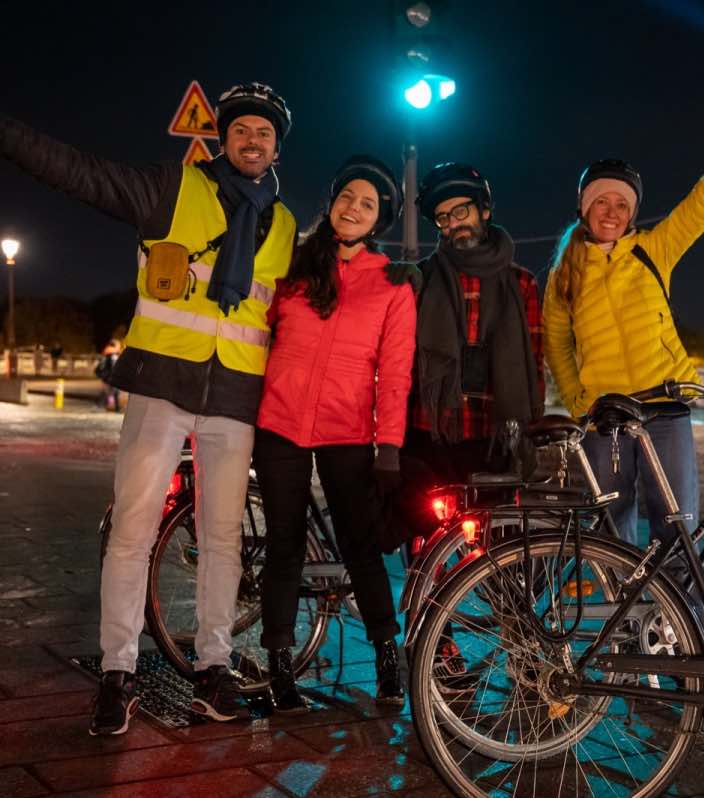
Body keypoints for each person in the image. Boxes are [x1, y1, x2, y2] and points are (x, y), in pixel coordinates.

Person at [0, 82, 297, 734]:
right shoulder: (172, 188)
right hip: (162, 386)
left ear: (277, 147)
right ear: (224, 137)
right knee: (133, 532)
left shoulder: (284, 225)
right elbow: (80, 174)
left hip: (234, 398)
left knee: (223, 539)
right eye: (242, 129)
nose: (252, 141)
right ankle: (117, 673)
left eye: (265, 133)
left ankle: (215, 671)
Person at [543, 83, 704, 620]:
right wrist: (581, 401)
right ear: (584, 209)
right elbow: (556, 341)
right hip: (605, 417)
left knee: (675, 534)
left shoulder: (654, 249)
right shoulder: (565, 273)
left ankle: (687, 646)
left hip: (666, 408)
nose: (611, 210)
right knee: (614, 536)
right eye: (601, 201)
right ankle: (630, 639)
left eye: (621, 203)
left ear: (632, 213)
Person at [253, 155, 416, 712]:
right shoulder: (293, 262)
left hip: (348, 429)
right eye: (348, 197)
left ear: (379, 221)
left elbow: (395, 373)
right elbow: (254, 331)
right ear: (332, 202)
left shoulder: (392, 285)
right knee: (284, 544)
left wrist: (388, 445)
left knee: (361, 546)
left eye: (367, 204)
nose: (354, 208)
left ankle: (388, 656)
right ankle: (279, 662)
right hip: (279, 421)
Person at [387, 163, 544, 685]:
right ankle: (438, 648)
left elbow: (533, 365)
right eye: (444, 216)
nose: (454, 222)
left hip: (494, 433)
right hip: (432, 428)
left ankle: (524, 644)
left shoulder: (522, 284)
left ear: (484, 210)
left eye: (462, 210)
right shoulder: (423, 279)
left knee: (502, 552)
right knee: (428, 545)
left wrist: (534, 435)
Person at [96, 339, 122, 411]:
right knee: (115, 391)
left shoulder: (107, 352)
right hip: (110, 375)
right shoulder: (113, 354)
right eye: (118, 345)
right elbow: (114, 366)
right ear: (115, 346)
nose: (119, 346)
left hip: (105, 375)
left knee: (106, 391)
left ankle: (100, 405)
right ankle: (116, 407)